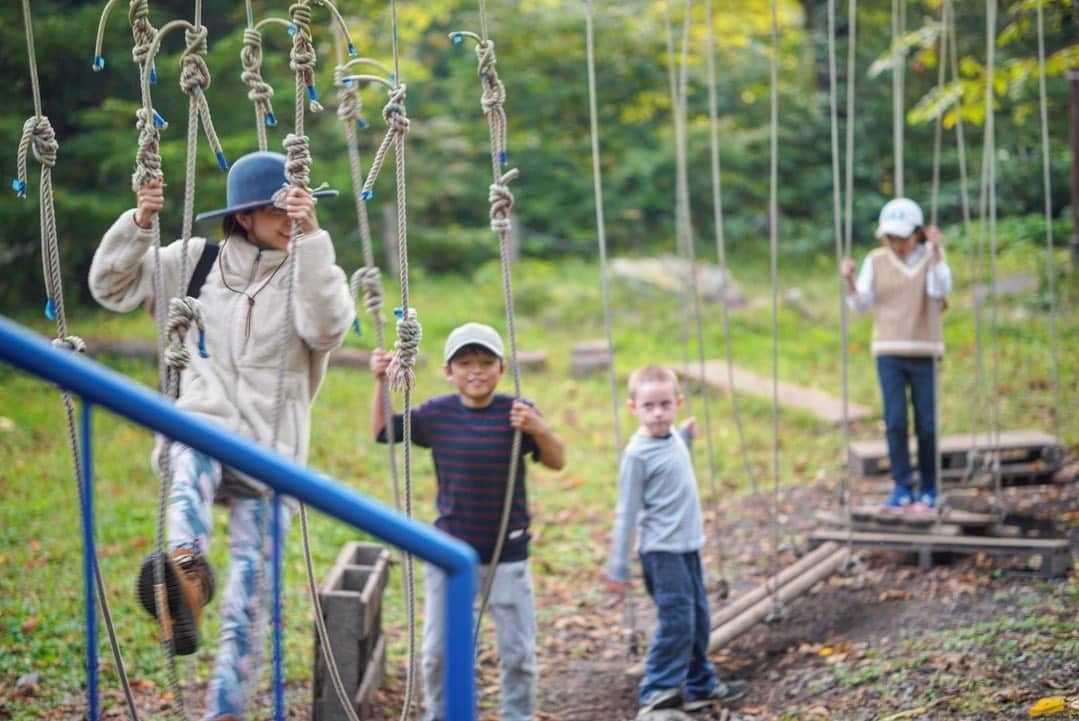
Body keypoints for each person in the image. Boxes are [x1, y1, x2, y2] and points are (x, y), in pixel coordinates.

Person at [88, 151, 354, 721]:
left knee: (249, 604)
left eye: (293, 207)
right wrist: (138, 224)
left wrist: (313, 239)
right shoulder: (194, 261)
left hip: (271, 452)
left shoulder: (306, 269)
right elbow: (110, 289)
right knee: (189, 451)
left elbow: (329, 328)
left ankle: (224, 711)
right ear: (243, 216)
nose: (287, 218)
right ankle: (184, 574)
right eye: (274, 209)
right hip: (204, 428)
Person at [369, 322, 565, 721]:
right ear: (448, 371)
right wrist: (379, 383)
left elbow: (557, 460)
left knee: (518, 653)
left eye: (485, 362)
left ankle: (518, 715)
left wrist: (539, 428)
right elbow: (384, 431)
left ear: (501, 368)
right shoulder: (437, 415)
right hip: (450, 552)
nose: (475, 371)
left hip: (505, 552)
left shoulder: (518, 412)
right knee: (438, 653)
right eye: (465, 363)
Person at [604, 365, 747, 716]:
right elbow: (626, 511)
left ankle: (700, 685)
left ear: (678, 403)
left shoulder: (671, 439)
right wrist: (618, 565)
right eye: (648, 406)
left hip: (688, 546)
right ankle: (657, 688)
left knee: (699, 616)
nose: (657, 413)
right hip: (660, 552)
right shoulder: (636, 455)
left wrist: (687, 436)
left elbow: (674, 453)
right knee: (677, 619)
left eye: (665, 405)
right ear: (632, 408)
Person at [840, 197, 952, 512]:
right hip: (888, 349)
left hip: (924, 349)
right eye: (890, 237)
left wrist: (936, 251)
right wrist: (849, 279)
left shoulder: (931, 259)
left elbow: (939, 290)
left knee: (927, 423)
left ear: (918, 233)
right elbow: (861, 304)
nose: (896, 244)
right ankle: (902, 486)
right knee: (895, 420)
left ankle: (929, 487)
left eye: (902, 237)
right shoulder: (875, 260)